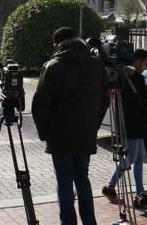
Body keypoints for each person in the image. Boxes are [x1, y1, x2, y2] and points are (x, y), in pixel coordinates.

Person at [32, 27, 109, 225]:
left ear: (57, 43)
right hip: (85, 135)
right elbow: (104, 101)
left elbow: (40, 105)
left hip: (60, 137)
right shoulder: (96, 64)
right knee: (82, 180)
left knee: (65, 184)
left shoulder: (53, 66)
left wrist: (44, 132)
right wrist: (93, 126)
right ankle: (89, 222)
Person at [102, 49, 147, 200]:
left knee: (140, 157)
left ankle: (140, 191)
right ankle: (110, 186)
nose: (146, 67)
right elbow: (139, 100)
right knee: (130, 158)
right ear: (138, 61)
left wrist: (146, 88)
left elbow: (135, 95)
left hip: (134, 122)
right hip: (132, 123)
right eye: (145, 63)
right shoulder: (132, 77)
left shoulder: (128, 77)